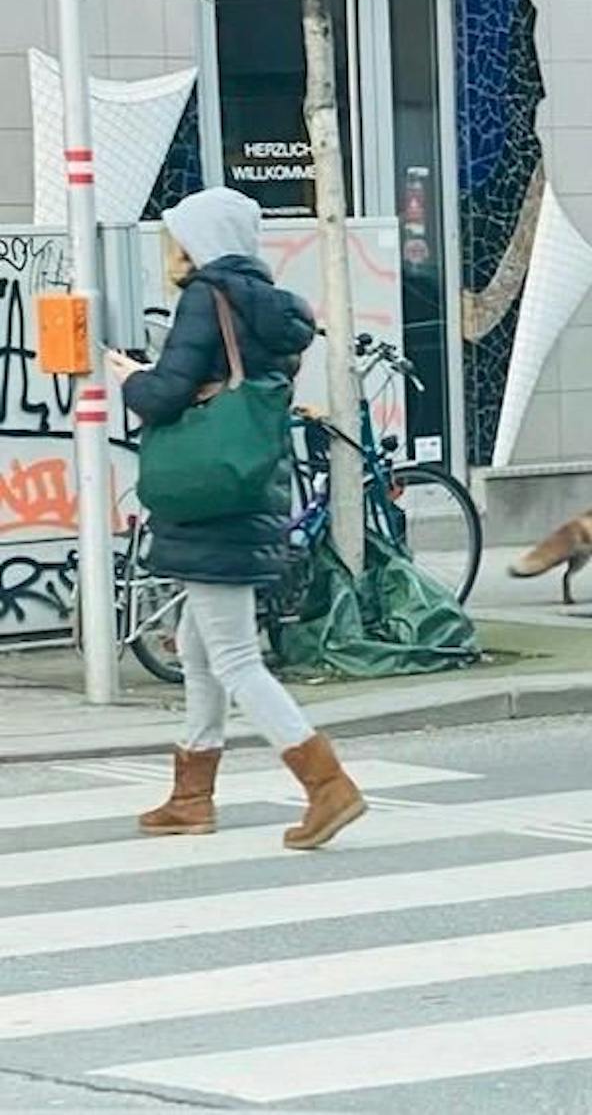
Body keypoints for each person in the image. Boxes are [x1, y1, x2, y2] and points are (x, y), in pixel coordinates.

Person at [107, 187, 367, 851]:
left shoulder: (206, 297)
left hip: (211, 500)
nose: (173, 248)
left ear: (201, 241)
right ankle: (191, 796)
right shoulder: (270, 305)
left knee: (234, 658)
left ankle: (327, 785)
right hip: (245, 490)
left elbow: (165, 395)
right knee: (199, 649)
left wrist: (129, 377)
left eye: (179, 236)